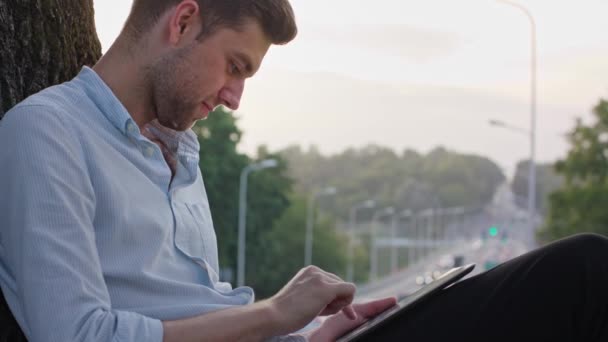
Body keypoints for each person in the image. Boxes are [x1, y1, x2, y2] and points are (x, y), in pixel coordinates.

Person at [1, 1, 607, 342]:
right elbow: (74, 336)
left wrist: (304, 336)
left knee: (573, 279)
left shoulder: (179, 152)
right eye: (235, 66)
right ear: (182, 21)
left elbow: (194, 310)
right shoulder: (48, 132)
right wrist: (274, 313)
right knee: (580, 273)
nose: (234, 96)